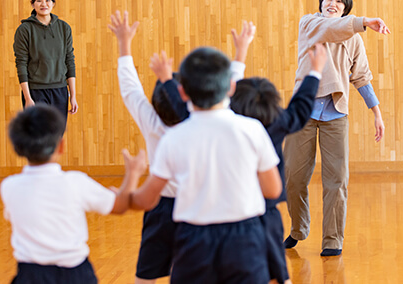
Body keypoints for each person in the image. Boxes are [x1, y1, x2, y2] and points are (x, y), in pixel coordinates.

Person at [107, 10, 255, 283]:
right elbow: (225, 90)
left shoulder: (152, 122)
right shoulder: (203, 121)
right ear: (187, 96)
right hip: (199, 207)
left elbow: (130, 89)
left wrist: (124, 43)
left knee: (146, 274)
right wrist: (240, 52)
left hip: (161, 208)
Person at [121, 47, 282, 284]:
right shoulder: (252, 130)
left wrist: (129, 183)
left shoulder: (173, 139)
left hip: (194, 239)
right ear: (231, 87)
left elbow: (146, 200)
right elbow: (272, 190)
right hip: (245, 237)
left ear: (183, 93)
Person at [283, 0, 391, 256]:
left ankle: (332, 240)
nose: (333, 4)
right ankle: (298, 228)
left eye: (340, 2)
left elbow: (362, 77)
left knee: (337, 180)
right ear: (320, 3)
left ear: (346, 10)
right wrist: (364, 22)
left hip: (336, 114)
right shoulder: (309, 24)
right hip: (302, 113)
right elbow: (330, 29)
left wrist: (376, 113)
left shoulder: (353, 37)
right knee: (293, 178)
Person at [0, 104, 147, 284]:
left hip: (30, 276)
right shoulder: (75, 182)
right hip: (75, 275)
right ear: (61, 146)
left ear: (18, 147)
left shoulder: (9, 187)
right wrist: (133, 173)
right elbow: (121, 205)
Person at [230, 43, 327, 283]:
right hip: (266, 212)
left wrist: (239, 56)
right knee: (277, 271)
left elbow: (229, 95)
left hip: (232, 213)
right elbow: (302, 105)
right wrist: (315, 71)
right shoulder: (277, 122)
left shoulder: (228, 124)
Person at [13, 0, 78, 123]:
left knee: (56, 137)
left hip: (59, 91)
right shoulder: (24, 30)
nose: (44, 4)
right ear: (32, 4)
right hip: (36, 91)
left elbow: (69, 60)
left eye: (47, 0)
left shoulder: (64, 28)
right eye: (39, 0)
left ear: (53, 3)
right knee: (38, 138)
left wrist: (73, 95)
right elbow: (21, 64)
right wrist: (28, 98)